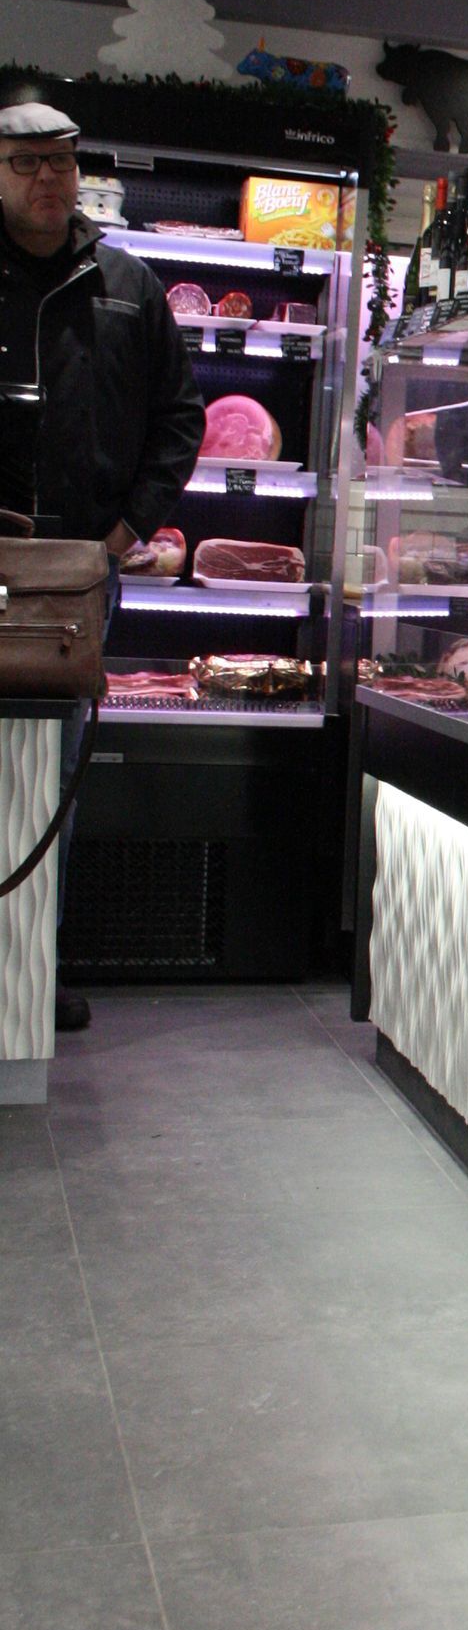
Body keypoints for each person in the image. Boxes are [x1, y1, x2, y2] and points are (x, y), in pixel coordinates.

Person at [0, 101, 204, 1030]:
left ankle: (30, 967)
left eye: (59, 161)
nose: (46, 177)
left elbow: (179, 417)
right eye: (23, 162)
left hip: (79, 573)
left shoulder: (126, 283)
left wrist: (126, 533)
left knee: (56, 770)